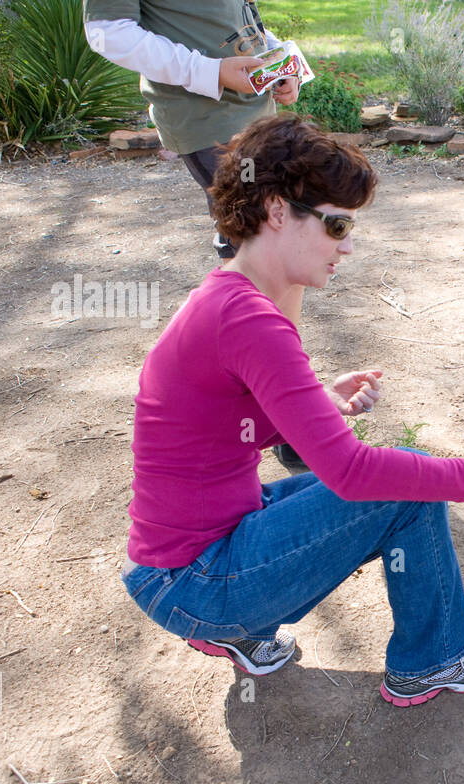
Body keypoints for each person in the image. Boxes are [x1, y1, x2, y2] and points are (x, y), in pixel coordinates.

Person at [120, 114, 464, 706]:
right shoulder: (249, 320)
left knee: (402, 482)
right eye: (337, 224)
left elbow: (247, 431)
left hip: (192, 557)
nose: (348, 245)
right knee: (403, 480)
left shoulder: (230, 295)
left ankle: (251, 631)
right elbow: (350, 473)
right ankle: (433, 660)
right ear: (276, 212)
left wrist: (323, 400)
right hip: (195, 579)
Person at [83, 0, 310, 470]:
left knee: (270, 247)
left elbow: (225, 22)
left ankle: (275, 404)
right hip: (207, 120)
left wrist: (276, 61)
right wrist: (209, 72)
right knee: (270, 247)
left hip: (253, 111)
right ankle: (279, 410)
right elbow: (107, 31)